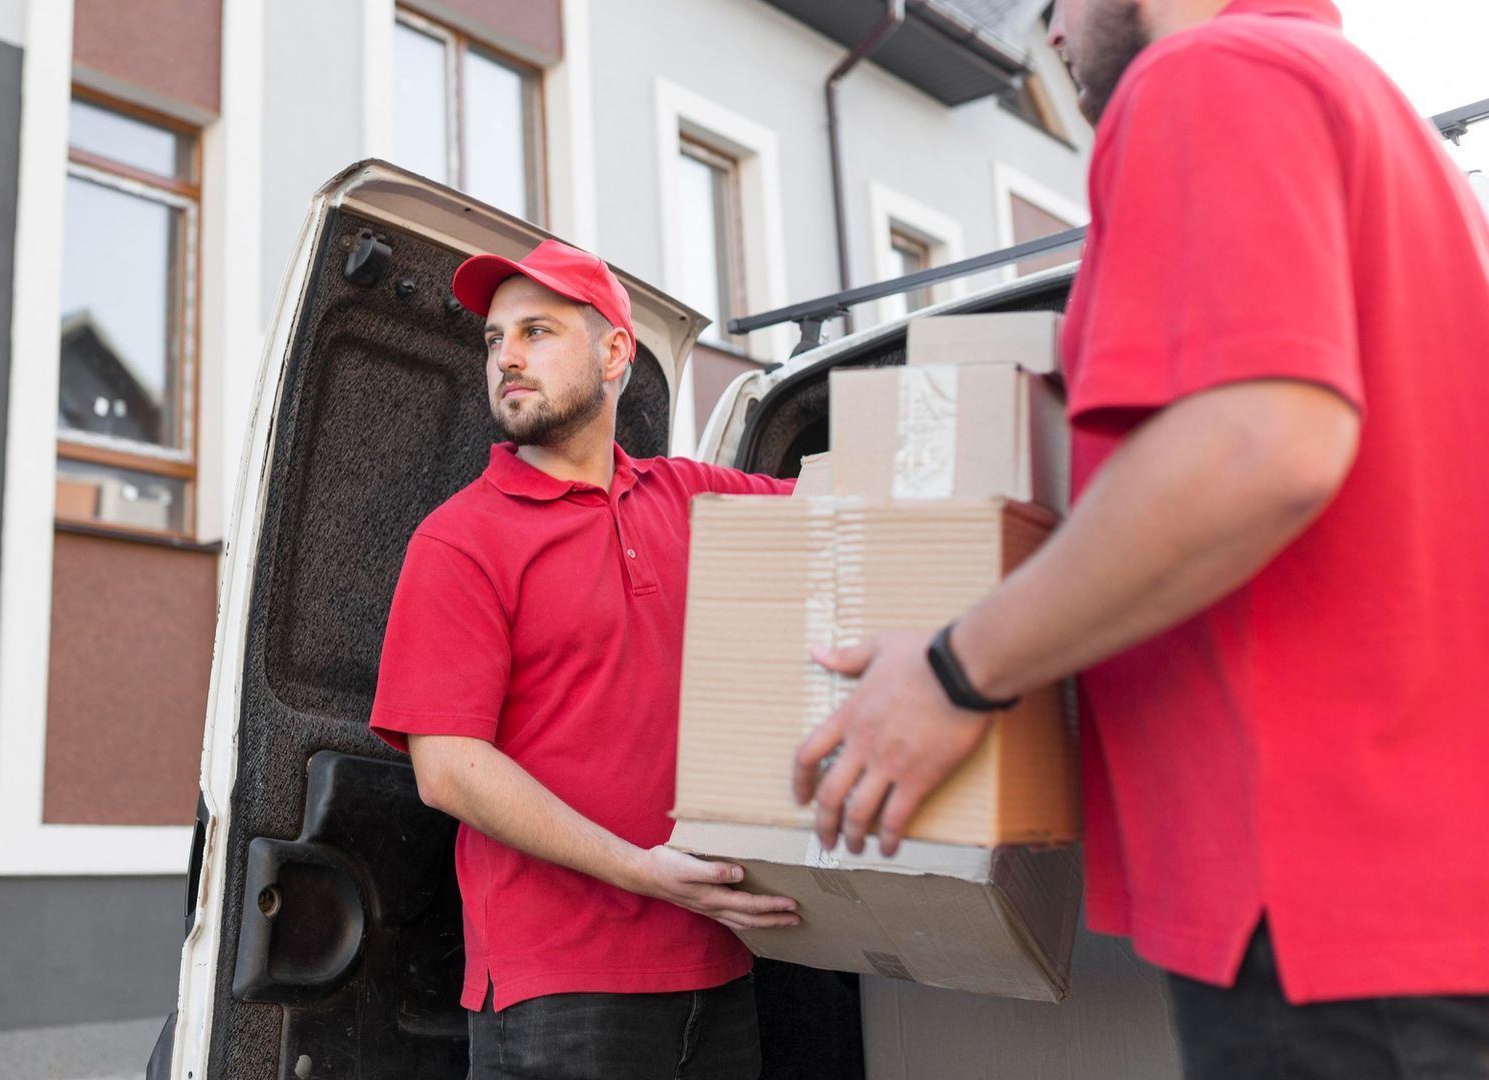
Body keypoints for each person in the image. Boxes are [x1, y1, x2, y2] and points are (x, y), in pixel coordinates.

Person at [791, 1, 1489, 1076]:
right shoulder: (1380, 122)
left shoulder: (1206, 73)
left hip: (1316, 899)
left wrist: (954, 672)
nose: (1048, 35)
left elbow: (1257, 445)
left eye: (1055, 3)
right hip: (1415, 880)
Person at [370, 239, 797, 1080]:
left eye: (536, 332)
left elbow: (859, 520)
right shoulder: (460, 539)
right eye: (495, 339)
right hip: (558, 992)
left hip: (719, 961)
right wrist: (643, 871)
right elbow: (447, 769)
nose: (507, 358)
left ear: (614, 354)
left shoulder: (693, 497)